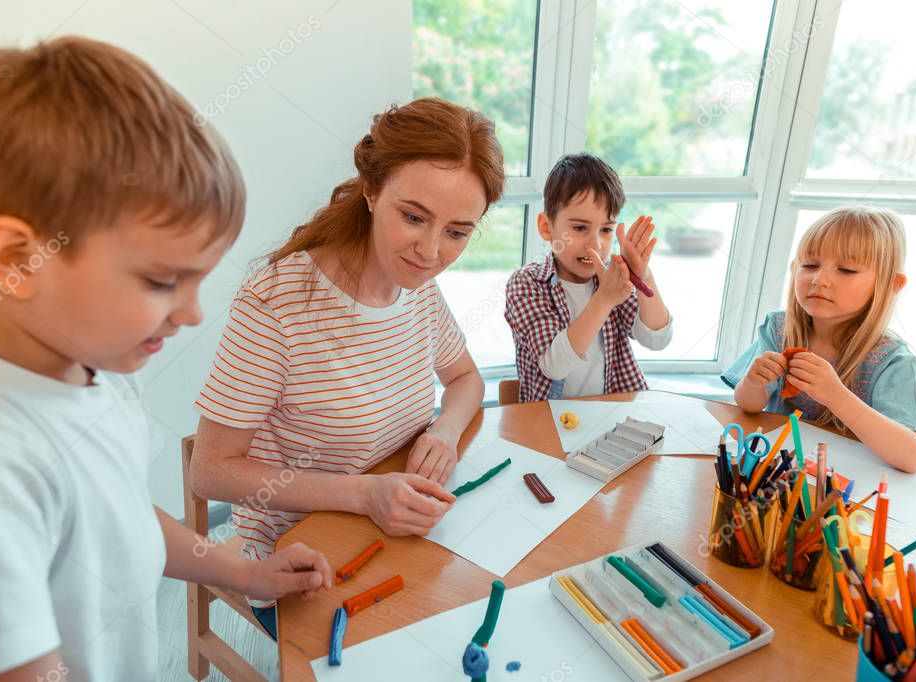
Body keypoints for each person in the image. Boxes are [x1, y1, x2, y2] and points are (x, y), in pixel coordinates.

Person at [0, 37, 332, 680]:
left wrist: (239, 568)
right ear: (17, 259)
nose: (191, 314)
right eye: (160, 282)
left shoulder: (87, 366)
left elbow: (116, 513)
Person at [190, 97, 505, 637]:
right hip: (297, 558)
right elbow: (210, 471)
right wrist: (363, 494)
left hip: (395, 527)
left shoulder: (419, 287)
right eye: (413, 217)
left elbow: (466, 379)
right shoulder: (277, 303)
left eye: (457, 232)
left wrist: (447, 432)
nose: (430, 251)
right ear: (371, 190)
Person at [723, 207, 916, 472]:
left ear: (891, 284)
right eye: (810, 265)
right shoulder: (780, 328)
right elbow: (748, 405)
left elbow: (911, 457)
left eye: (847, 270)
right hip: (781, 477)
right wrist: (753, 383)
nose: (820, 279)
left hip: (850, 489)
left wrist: (835, 396)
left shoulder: (892, 360)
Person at [504, 152, 672, 403]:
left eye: (606, 230)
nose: (595, 244)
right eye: (580, 228)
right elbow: (554, 366)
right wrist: (604, 299)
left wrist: (643, 275)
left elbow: (657, 339)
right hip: (549, 422)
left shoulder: (614, 278)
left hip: (611, 418)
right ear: (546, 227)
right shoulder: (527, 284)